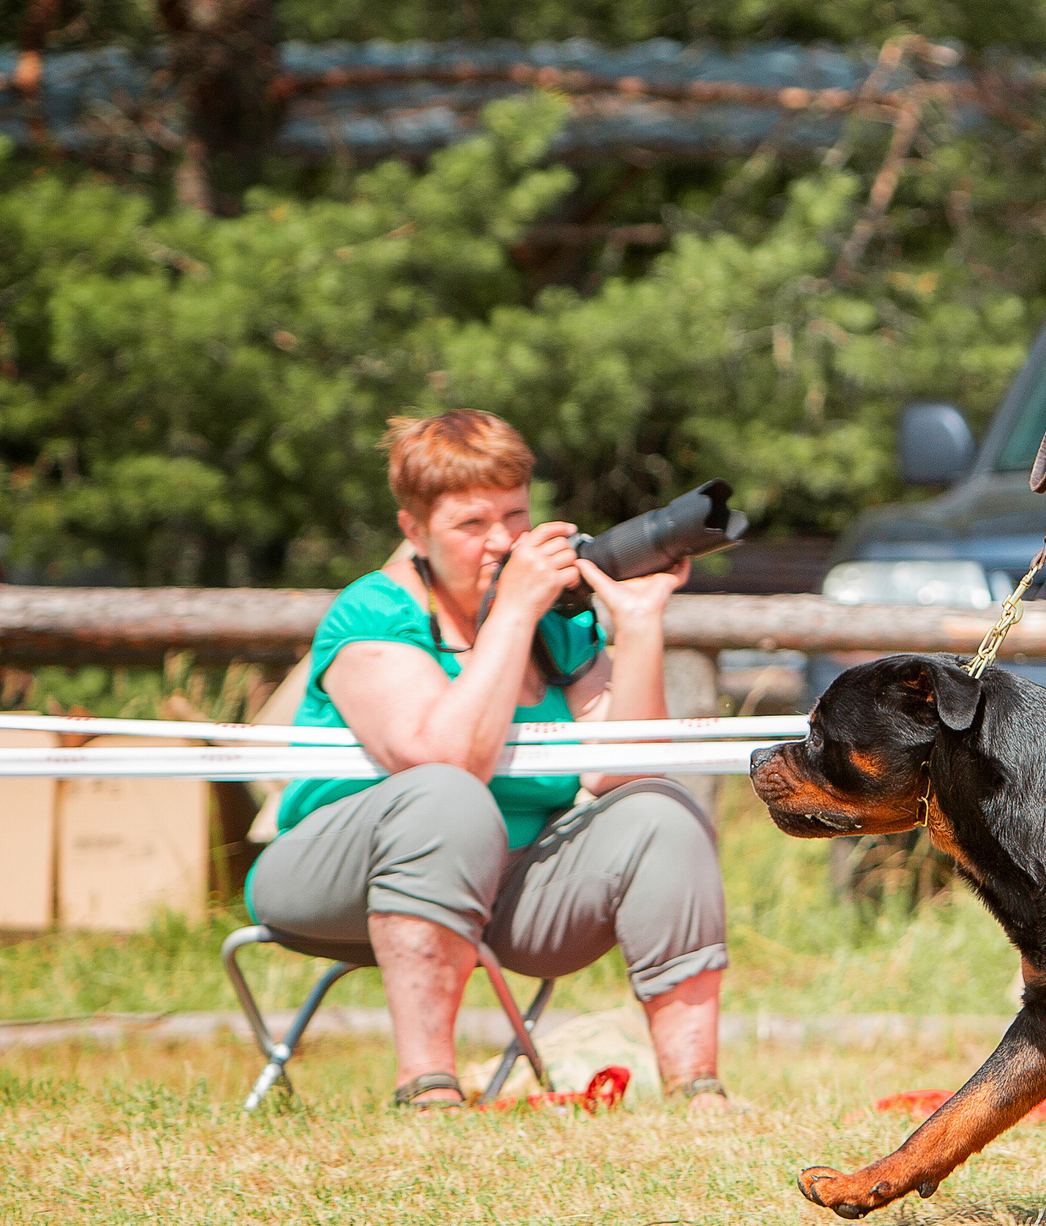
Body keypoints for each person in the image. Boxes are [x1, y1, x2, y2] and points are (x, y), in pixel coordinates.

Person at [247, 411, 739, 1112]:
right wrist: (509, 611)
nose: (503, 540)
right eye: (471, 525)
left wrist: (638, 623)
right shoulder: (375, 612)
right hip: (333, 875)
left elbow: (622, 768)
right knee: (446, 796)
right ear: (413, 530)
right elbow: (443, 758)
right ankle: (428, 1088)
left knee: (663, 812)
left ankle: (699, 1090)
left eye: (515, 514)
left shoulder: (554, 624)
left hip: (507, 884)